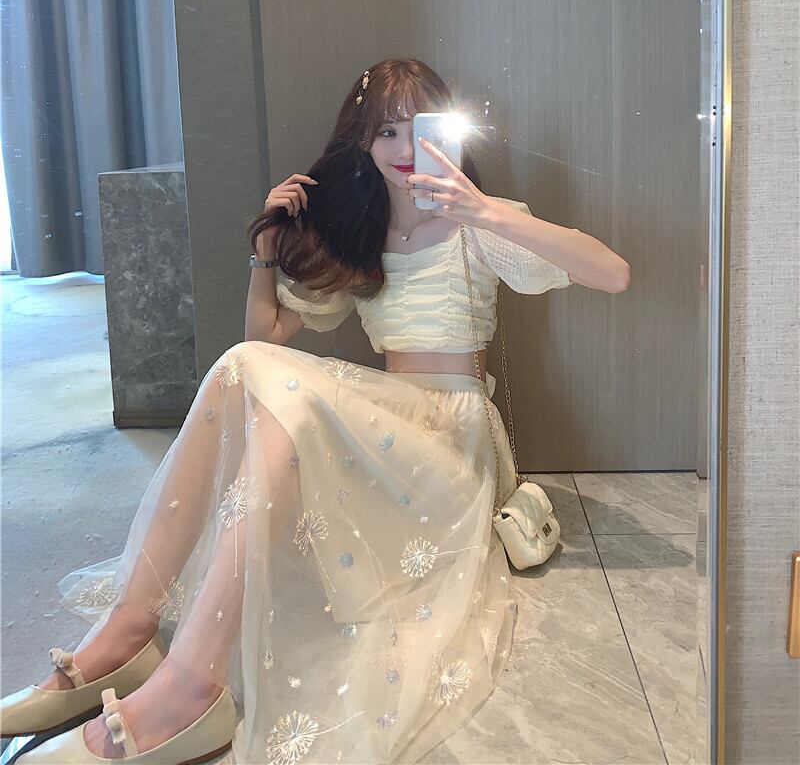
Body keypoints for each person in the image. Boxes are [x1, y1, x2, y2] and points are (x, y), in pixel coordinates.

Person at [1, 58, 630, 764]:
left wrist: (480, 209)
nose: (403, 147)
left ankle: (179, 682)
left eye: (418, 128)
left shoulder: (478, 224)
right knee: (250, 375)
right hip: (387, 422)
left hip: (451, 442)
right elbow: (262, 340)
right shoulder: (362, 236)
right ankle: (131, 635)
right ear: (362, 141)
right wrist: (264, 255)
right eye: (385, 130)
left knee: (272, 391)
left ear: (447, 133)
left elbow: (613, 273)